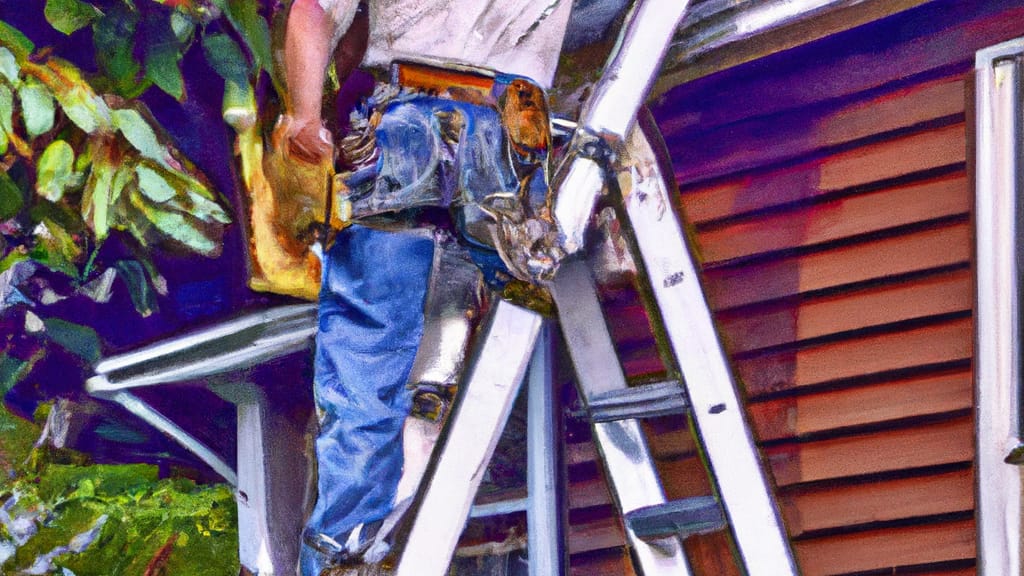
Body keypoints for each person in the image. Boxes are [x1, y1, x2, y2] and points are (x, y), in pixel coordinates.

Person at [277, 1, 630, 573]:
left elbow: (313, 11)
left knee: (370, 354)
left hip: (411, 117)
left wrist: (304, 114)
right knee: (486, 346)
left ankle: (343, 550)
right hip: (513, 132)